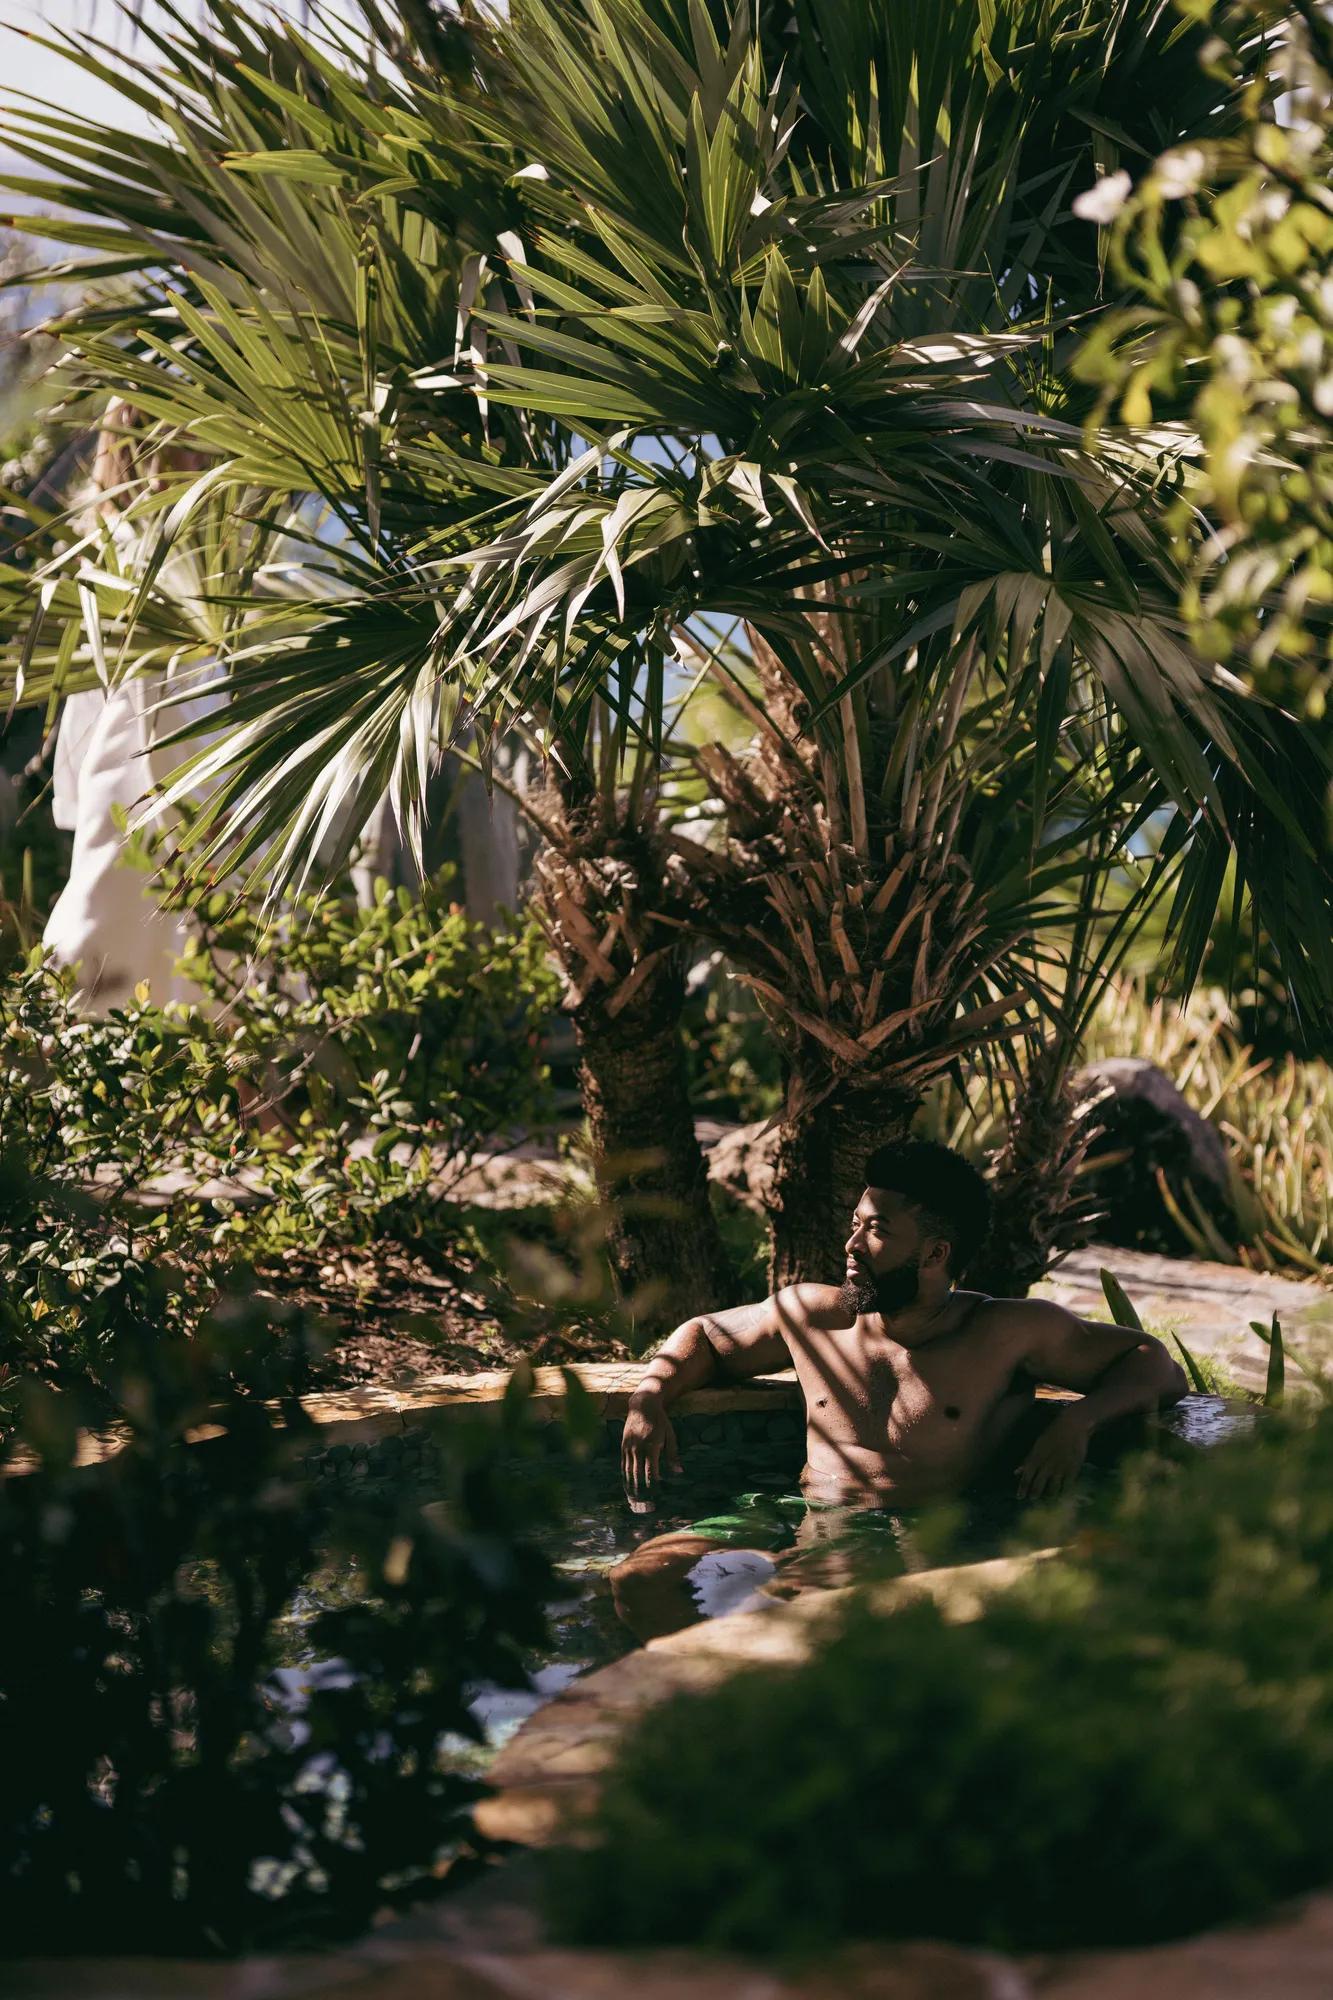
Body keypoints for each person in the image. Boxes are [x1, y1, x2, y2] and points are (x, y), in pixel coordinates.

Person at [620, 1138, 1188, 1511]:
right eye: (855, 1224)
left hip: (919, 1553)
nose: (851, 1245)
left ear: (935, 1253)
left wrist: (1077, 1424)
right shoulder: (815, 1317)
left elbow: (1154, 1365)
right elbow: (707, 1336)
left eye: (877, 1232)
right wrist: (650, 1395)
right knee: (641, 1579)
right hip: (802, 1528)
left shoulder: (1003, 1332)